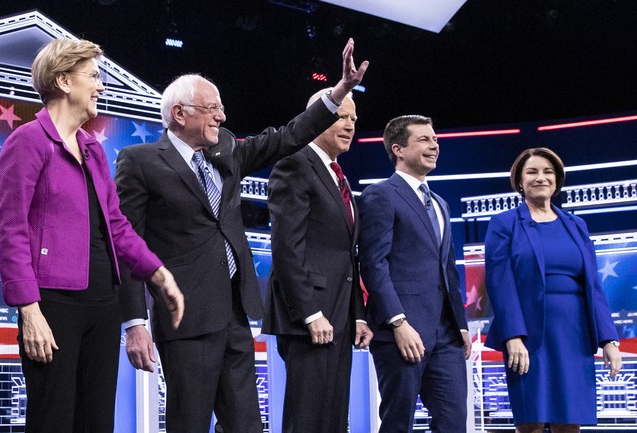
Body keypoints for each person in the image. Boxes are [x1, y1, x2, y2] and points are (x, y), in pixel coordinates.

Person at [114, 39, 368, 433]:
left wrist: (338, 93)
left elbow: (286, 136)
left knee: (246, 425)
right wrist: (134, 323)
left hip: (235, 312)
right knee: (190, 423)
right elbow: (127, 244)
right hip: (185, 318)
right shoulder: (141, 161)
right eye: (212, 108)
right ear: (179, 114)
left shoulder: (228, 152)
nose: (222, 115)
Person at [0, 38, 184, 433]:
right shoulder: (27, 142)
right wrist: (29, 310)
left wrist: (159, 274)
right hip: (53, 306)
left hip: (103, 304)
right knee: (54, 421)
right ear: (63, 80)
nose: (101, 86)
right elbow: (9, 230)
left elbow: (116, 226)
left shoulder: (93, 150)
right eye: (94, 76)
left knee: (97, 421)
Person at [484, 147, 622, 433]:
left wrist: (609, 339)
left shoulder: (576, 225)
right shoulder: (504, 223)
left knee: (569, 423)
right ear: (519, 181)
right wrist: (513, 336)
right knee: (531, 421)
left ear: (557, 181)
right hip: (529, 335)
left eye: (548, 172)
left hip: (574, 334)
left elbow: (593, 285)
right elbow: (500, 281)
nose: (541, 178)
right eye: (532, 172)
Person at [262, 90, 372, 432]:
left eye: (354, 119)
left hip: (339, 315)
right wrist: (310, 312)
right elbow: (286, 248)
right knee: (307, 418)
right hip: (310, 317)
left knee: (334, 417)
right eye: (342, 116)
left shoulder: (336, 174)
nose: (350, 125)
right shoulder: (295, 163)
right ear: (317, 118)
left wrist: (358, 315)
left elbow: (345, 256)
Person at [357, 115, 471, 433]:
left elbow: (447, 271)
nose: (434, 145)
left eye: (435, 139)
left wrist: (460, 325)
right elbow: (373, 264)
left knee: (452, 424)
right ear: (398, 149)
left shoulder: (441, 204)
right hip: (401, 333)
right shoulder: (380, 194)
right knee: (398, 424)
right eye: (423, 139)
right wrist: (398, 322)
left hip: (446, 336)